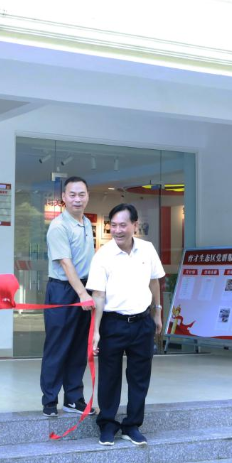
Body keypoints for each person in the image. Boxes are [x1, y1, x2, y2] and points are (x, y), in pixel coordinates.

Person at [87, 203, 165, 447]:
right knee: (109, 377)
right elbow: (98, 296)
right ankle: (107, 424)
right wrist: (96, 331)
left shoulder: (148, 250)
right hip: (113, 323)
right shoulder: (103, 255)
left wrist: (157, 313)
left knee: (139, 377)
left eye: (123, 225)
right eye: (114, 225)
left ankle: (132, 425)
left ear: (134, 225)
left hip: (142, 322)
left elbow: (154, 283)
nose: (118, 230)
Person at [40, 175, 96, 417]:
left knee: (78, 348)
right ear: (63, 198)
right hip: (63, 291)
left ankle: (73, 399)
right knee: (58, 347)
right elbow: (65, 263)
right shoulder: (59, 226)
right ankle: (49, 400)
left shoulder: (86, 223)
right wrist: (82, 293)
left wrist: (90, 291)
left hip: (85, 289)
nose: (77, 199)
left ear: (87, 197)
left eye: (81, 194)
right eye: (72, 195)